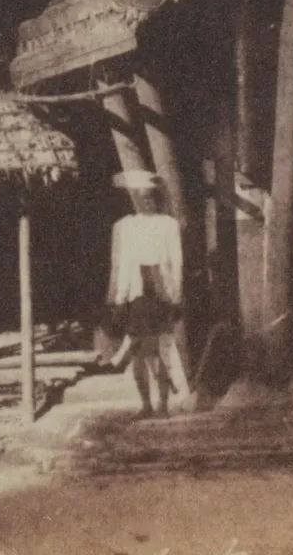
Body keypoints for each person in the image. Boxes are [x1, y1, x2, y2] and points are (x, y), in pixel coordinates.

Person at [108, 170, 188, 417]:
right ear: (133, 199)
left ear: (156, 198)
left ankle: (163, 404)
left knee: (162, 348)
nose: (145, 201)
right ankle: (145, 404)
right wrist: (118, 298)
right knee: (137, 351)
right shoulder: (123, 226)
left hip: (160, 292)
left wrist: (175, 295)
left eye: (149, 196)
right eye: (140, 197)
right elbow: (119, 263)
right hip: (135, 293)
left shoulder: (168, 225)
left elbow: (177, 260)